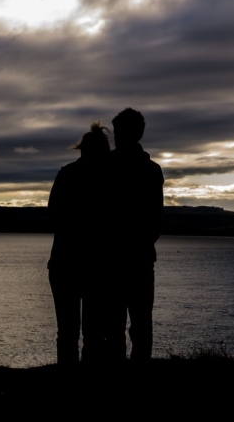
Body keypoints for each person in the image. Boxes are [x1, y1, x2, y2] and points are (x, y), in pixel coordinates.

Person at [47, 121, 111, 365]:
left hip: (64, 263)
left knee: (67, 333)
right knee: (94, 335)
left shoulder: (66, 174)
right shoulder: (110, 179)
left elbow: (53, 215)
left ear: (82, 149)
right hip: (97, 265)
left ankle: (68, 384)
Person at [106, 107, 164, 362]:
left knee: (122, 325)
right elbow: (155, 220)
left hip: (118, 257)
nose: (116, 136)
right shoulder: (151, 170)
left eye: (119, 131)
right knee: (132, 325)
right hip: (135, 257)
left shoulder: (106, 166)